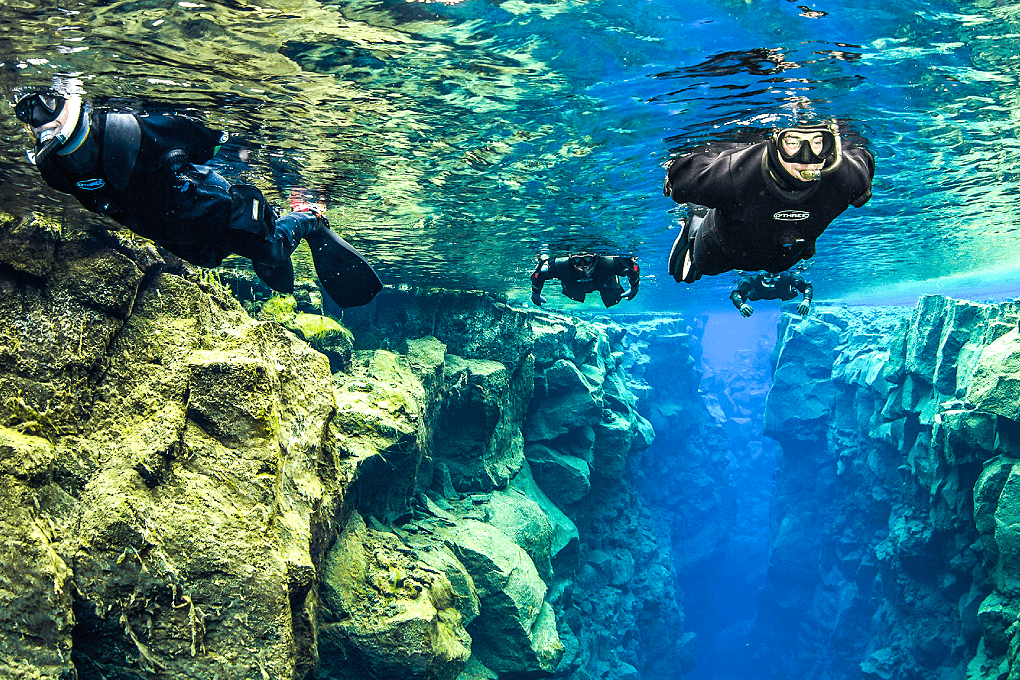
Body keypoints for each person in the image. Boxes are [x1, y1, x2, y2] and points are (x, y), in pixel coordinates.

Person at [14, 89, 382, 308]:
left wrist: (236, 143)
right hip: (183, 235)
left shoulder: (133, 128)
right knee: (214, 260)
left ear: (73, 99)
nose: (38, 119)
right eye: (26, 111)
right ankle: (267, 239)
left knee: (272, 250)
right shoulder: (53, 170)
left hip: (220, 208)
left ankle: (309, 217)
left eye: (48, 102)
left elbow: (212, 139)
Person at [663, 122, 875, 284]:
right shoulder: (736, 172)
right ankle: (695, 222)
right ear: (774, 143)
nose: (807, 157)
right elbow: (682, 181)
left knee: (779, 267)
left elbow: (863, 168)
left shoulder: (849, 176)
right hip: (721, 249)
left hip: (786, 256)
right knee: (703, 267)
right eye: (792, 143)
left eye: (818, 143)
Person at [530, 253, 639, 308]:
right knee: (570, 288)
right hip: (573, 281)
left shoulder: (608, 263)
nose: (583, 265)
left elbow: (632, 267)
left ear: (596, 257)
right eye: (577, 260)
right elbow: (539, 273)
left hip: (603, 278)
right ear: (570, 258)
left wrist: (634, 287)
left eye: (587, 259)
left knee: (613, 296)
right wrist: (535, 292)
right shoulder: (561, 264)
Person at [730, 270, 812, 317]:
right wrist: (741, 305)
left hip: (783, 292)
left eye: (773, 280)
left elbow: (806, 286)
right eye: (768, 280)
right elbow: (736, 293)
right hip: (757, 294)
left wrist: (806, 300)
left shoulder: (789, 276)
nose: (770, 284)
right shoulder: (752, 278)